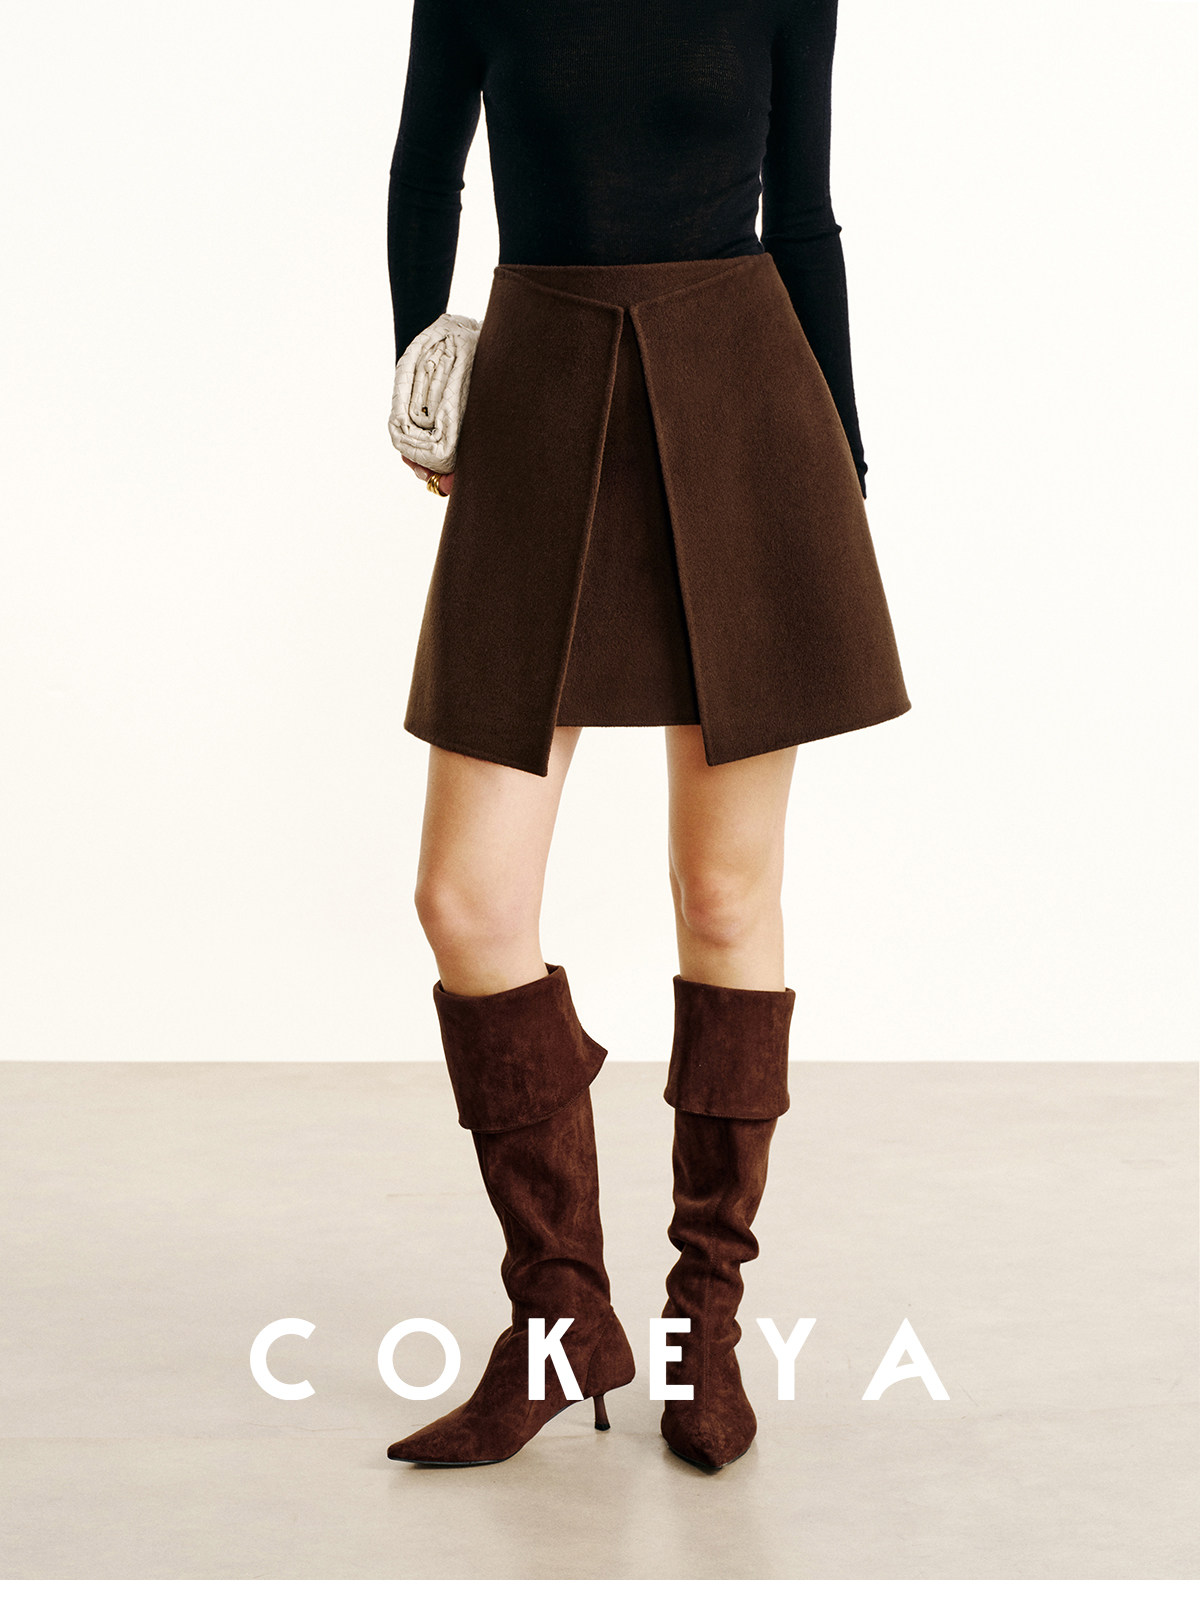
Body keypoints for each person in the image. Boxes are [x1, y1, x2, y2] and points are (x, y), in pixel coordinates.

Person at [383, 0, 911, 1472]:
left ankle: (703, 1331)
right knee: (466, 898)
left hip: (742, 404)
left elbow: (804, 215)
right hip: (538, 397)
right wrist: (423, 375)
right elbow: (424, 167)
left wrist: (843, 466)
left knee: (726, 892)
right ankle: (561, 1312)